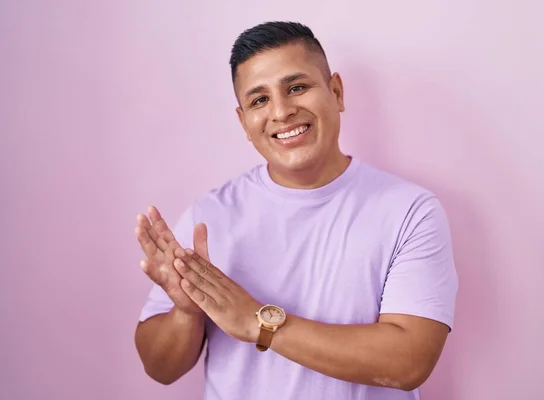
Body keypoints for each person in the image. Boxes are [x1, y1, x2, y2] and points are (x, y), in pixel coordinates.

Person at [134, 21, 458, 400]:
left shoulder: (410, 212)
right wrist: (187, 313)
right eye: (259, 100)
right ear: (244, 123)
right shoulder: (209, 216)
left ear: (336, 92)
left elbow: (408, 363)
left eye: (297, 88)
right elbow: (160, 370)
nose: (282, 111)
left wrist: (257, 321)